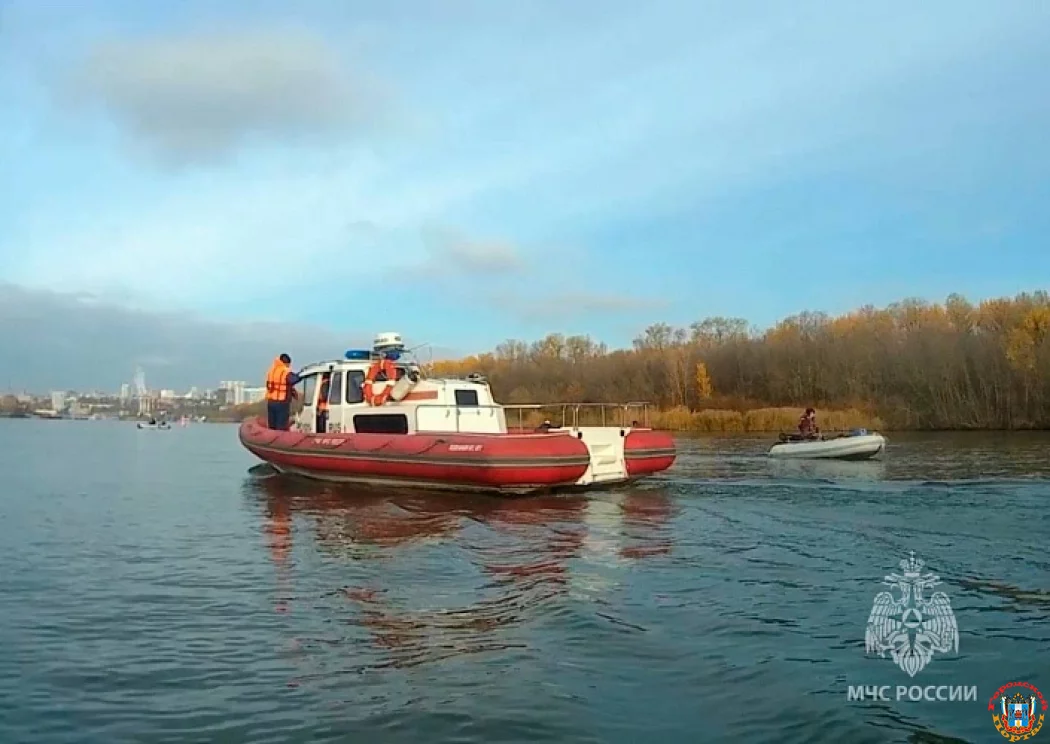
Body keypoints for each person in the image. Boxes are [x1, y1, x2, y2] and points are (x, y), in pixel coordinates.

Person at [265, 353, 301, 430]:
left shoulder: (271, 371)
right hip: (282, 402)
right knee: (281, 426)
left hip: (271, 402)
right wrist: (300, 374)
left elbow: (269, 385)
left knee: (272, 426)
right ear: (286, 363)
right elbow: (294, 380)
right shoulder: (285, 372)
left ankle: (272, 436)